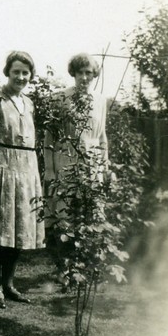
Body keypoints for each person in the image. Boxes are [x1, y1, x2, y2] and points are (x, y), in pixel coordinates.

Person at [0, 51, 45, 309]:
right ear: (8, 72)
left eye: (26, 73)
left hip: (26, 171)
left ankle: (10, 284)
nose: (21, 77)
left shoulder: (30, 104)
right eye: (16, 72)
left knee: (19, 231)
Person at [43, 52, 109, 225]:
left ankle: (88, 247)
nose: (84, 77)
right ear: (74, 73)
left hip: (92, 162)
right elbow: (49, 136)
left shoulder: (101, 101)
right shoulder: (59, 99)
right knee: (65, 206)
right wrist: (49, 169)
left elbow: (102, 135)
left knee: (92, 206)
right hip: (66, 159)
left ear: (94, 74)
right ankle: (63, 247)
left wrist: (105, 163)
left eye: (88, 73)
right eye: (80, 73)